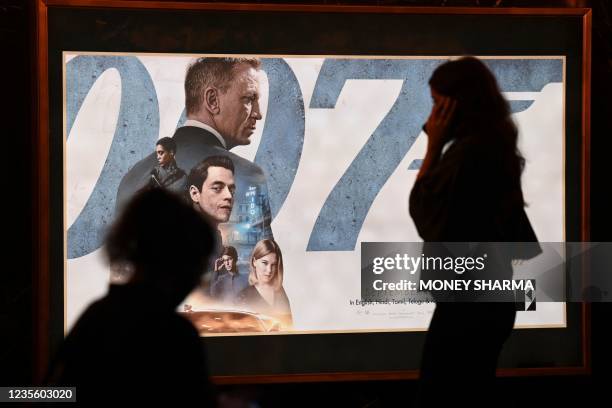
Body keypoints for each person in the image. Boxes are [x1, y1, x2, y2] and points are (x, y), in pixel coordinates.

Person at [409, 57, 540, 407]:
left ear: (456, 105)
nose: (432, 118)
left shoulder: (469, 156)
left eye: (438, 104)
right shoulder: (493, 148)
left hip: (469, 309)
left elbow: (425, 214)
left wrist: (433, 147)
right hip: (487, 305)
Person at [46, 189, 216, 405]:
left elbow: (57, 392)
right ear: (179, 265)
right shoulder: (174, 334)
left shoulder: (97, 315)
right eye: (198, 268)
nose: (197, 281)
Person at [116, 57, 273, 240]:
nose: (258, 113)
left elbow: (120, 266)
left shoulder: (131, 178)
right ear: (212, 100)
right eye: (249, 99)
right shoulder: (246, 175)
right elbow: (263, 263)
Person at [236, 239, 291, 321]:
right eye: (265, 263)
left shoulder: (283, 292)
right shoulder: (242, 297)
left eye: (274, 265)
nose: (269, 270)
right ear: (254, 262)